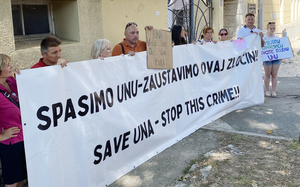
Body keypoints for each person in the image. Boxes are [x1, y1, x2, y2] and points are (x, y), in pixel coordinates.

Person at [0, 54, 27, 187]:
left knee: (21, 179)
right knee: (12, 182)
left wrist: (23, 78)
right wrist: (1, 136)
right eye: (7, 65)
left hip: (24, 138)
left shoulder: (11, 81)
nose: (11, 67)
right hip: (11, 143)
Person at [263, 22, 281, 97]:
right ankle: (267, 90)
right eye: (271, 28)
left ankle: (273, 91)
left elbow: (280, 48)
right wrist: (267, 57)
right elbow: (262, 49)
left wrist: (281, 56)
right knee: (267, 74)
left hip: (276, 59)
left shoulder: (277, 38)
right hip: (267, 59)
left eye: (274, 28)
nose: (272, 30)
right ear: (267, 29)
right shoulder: (264, 38)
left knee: (274, 74)